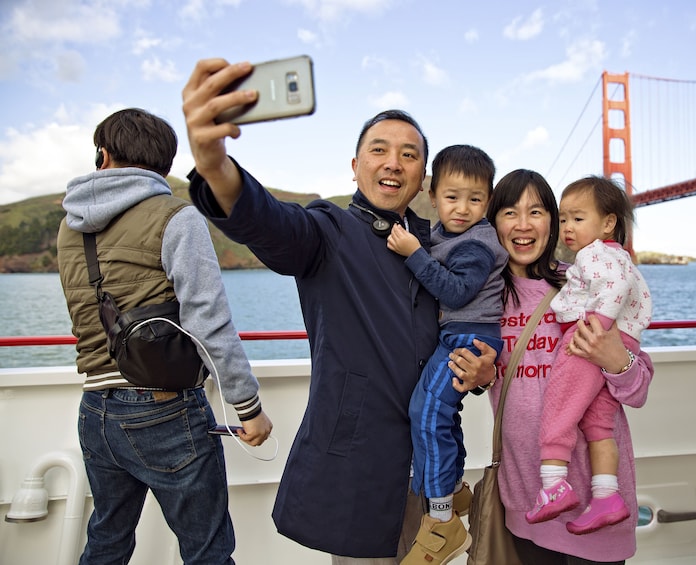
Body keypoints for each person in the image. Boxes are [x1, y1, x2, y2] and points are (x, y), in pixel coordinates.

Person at [180, 58, 497, 564]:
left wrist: (481, 371)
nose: (393, 162)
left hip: (429, 473)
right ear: (355, 166)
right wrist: (215, 164)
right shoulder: (326, 231)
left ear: (422, 178)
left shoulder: (440, 247)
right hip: (358, 470)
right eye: (379, 150)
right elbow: (270, 222)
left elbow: (467, 324)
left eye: (409, 155)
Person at [56, 107, 273, 565]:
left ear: (103, 154)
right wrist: (248, 408)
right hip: (163, 409)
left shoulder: (69, 226)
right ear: (166, 165)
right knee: (207, 550)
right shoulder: (177, 217)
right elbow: (208, 320)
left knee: (108, 541)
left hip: (95, 410)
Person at [452, 169, 653, 564]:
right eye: (510, 212)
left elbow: (639, 389)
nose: (523, 225)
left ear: (554, 223)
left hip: (598, 500)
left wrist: (616, 360)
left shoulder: (585, 284)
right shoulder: (482, 298)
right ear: (494, 223)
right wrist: (481, 377)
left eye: (538, 212)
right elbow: (484, 372)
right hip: (527, 497)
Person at [386, 144, 508, 564]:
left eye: (475, 199)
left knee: (426, 414)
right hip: (456, 336)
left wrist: (413, 255)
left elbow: (457, 291)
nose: (462, 208)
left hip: (469, 339)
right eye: (452, 197)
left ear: (488, 201)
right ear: (433, 194)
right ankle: (453, 489)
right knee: (436, 411)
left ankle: (440, 519)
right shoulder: (444, 233)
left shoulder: (476, 244)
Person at [525, 175, 652, 536]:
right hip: (622, 338)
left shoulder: (595, 254)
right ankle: (607, 496)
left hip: (587, 337)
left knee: (559, 406)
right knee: (599, 426)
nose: (567, 227)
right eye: (563, 219)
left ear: (608, 222)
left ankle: (553, 486)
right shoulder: (618, 257)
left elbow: (613, 291)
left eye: (577, 219)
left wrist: (595, 326)